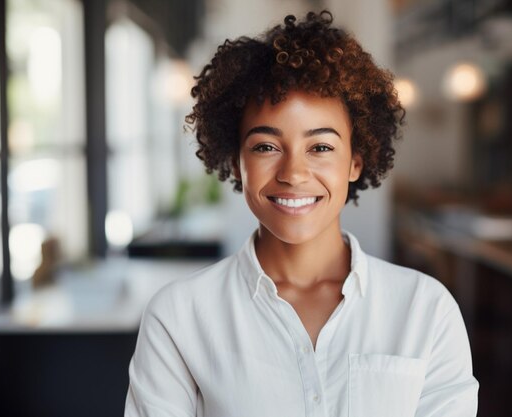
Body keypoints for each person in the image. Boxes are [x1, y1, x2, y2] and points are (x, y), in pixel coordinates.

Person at [125, 11, 478, 417]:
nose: (293, 173)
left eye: (321, 147)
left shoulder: (426, 311)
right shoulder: (178, 318)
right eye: (265, 147)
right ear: (237, 161)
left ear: (356, 162)